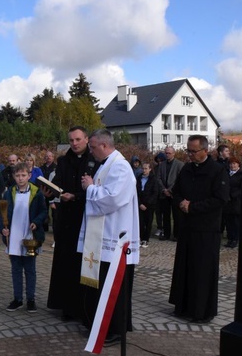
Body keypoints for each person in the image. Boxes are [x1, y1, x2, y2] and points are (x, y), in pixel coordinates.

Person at [78, 129, 140, 340]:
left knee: (113, 287)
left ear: (104, 146)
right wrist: (92, 187)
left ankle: (115, 329)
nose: (91, 152)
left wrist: (90, 188)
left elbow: (112, 199)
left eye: (93, 147)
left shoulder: (121, 167)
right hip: (102, 237)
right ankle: (99, 325)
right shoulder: (107, 166)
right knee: (101, 284)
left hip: (115, 238)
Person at [169, 134, 230, 323]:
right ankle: (183, 306)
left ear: (205, 150)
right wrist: (181, 203)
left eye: (193, 151)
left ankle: (202, 311)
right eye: (188, 150)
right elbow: (176, 191)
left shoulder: (217, 171)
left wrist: (193, 207)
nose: (190, 155)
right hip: (187, 226)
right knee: (185, 267)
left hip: (206, 228)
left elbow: (220, 199)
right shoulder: (186, 169)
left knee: (202, 271)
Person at [43, 126, 95, 319]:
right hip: (66, 219)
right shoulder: (63, 161)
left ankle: (82, 308)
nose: (74, 143)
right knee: (66, 262)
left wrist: (75, 196)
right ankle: (66, 306)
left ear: (86, 139)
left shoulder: (94, 161)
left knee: (82, 263)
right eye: (71, 140)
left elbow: (96, 188)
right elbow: (57, 182)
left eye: (78, 139)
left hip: (85, 217)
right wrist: (50, 191)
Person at [0, 163, 48, 313]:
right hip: (14, 237)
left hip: (29, 236)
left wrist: (36, 222)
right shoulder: (9, 193)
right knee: (15, 269)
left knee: (30, 269)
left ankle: (31, 299)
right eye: (17, 175)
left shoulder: (36, 192)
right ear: (14, 177)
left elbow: (43, 212)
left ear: (29, 176)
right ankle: (17, 298)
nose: (20, 178)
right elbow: (2, 214)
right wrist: (3, 229)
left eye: (23, 175)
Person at [156, 146, 183, 241]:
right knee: (166, 215)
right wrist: (164, 189)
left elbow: (180, 179)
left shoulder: (179, 164)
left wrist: (170, 190)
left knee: (176, 215)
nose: (167, 155)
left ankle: (176, 235)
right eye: (166, 153)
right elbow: (158, 178)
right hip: (164, 194)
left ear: (174, 153)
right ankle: (166, 234)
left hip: (174, 194)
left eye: (169, 153)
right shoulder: (161, 164)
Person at [137, 162, 160, 248]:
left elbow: (155, 193)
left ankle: (146, 239)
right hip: (140, 203)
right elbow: (136, 192)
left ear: (150, 169)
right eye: (143, 168)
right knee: (140, 222)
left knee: (148, 222)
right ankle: (141, 238)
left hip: (149, 205)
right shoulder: (139, 178)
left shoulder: (153, 179)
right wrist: (140, 203)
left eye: (146, 168)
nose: (144, 170)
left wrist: (147, 204)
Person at [223, 157, 242, 249]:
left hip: (236, 202)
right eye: (231, 164)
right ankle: (230, 238)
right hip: (227, 202)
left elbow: (241, 188)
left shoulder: (241, 174)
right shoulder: (226, 174)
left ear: (238, 164)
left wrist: (233, 195)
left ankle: (235, 239)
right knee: (228, 221)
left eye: (234, 164)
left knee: (235, 222)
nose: (232, 165)